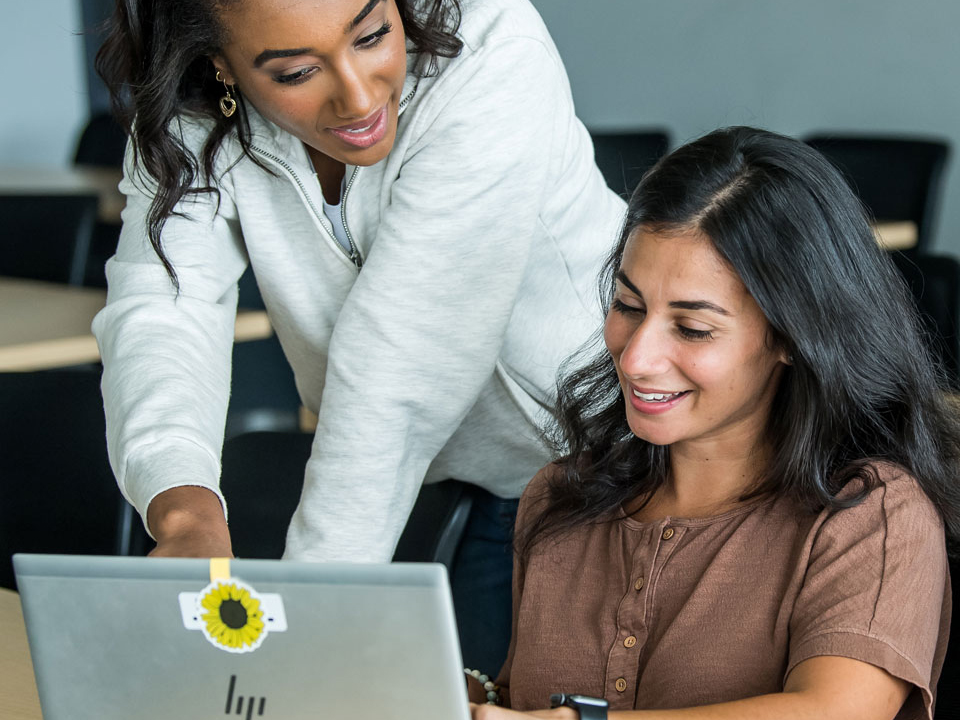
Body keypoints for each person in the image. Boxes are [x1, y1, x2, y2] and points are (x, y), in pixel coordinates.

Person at [91, 0, 625, 673]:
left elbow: (399, 366)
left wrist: (306, 634)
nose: (358, 93)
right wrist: (183, 508)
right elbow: (162, 305)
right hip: (478, 489)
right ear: (219, 67)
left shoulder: (492, 48)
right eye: (294, 72)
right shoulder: (190, 114)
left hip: (634, 468)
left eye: (372, 36)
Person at [473, 127, 960, 719]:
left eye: (693, 328)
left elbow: (835, 712)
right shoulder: (560, 498)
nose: (635, 359)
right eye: (628, 306)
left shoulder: (871, 514)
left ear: (791, 336)